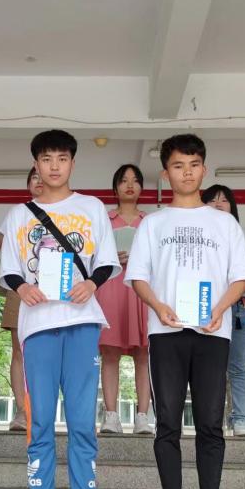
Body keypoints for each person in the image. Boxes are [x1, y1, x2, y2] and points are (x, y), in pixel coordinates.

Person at [126, 134, 245, 489]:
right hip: (166, 331)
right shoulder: (153, 223)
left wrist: (221, 309)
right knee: (167, 421)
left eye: (194, 165)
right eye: (178, 166)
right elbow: (138, 277)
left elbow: (241, 277)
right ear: (166, 173)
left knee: (211, 421)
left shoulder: (224, 223)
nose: (187, 172)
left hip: (212, 332)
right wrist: (158, 305)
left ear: (204, 169)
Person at [0, 129, 120, 489]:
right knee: (40, 418)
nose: (54, 166)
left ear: (72, 163)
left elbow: (105, 261)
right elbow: (9, 269)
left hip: (82, 321)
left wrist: (91, 285)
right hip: (38, 326)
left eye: (62, 158)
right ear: (36, 164)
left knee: (83, 417)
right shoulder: (19, 215)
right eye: (47, 159)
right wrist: (22, 288)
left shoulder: (91, 207)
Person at [96, 164, 153, 435]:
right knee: (110, 353)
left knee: (144, 353)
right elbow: (90, 256)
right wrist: (109, 257)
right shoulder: (103, 220)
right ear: (115, 187)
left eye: (135, 180)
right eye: (123, 180)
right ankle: (111, 416)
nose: (130, 185)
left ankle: (142, 417)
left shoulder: (150, 221)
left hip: (141, 289)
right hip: (111, 287)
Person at [202, 184, 245, 437]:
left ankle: (242, 419)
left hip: (237, 305)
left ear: (232, 206)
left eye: (224, 200)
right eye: (212, 200)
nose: (218, 204)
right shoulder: (198, 232)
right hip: (204, 303)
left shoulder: (241, 234)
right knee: (206, 365)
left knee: (238, 364)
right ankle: (209, 419)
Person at [0, 168, 45, 432]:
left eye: (42, 176)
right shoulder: (18, 212)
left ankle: (41, 410)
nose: (39, 181)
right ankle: (21, 410)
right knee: (19, 350)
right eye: (34, 178)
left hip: (52, 289)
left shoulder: (66, 211)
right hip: (20, 286)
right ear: (28, 185)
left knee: (47, 353)